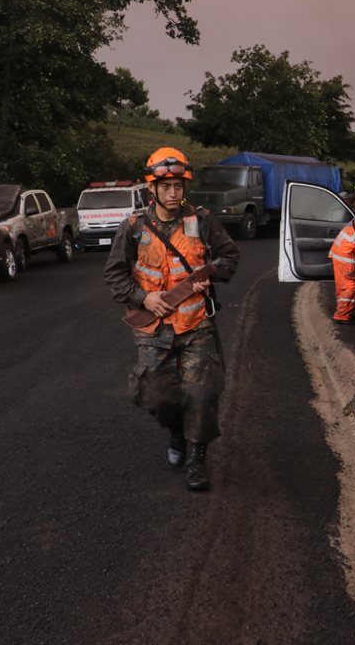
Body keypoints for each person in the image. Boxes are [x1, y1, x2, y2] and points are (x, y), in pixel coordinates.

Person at [103, 148, 240, 491]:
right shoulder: (133, 226)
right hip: (153, 328)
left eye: (178, 186)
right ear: (153, 189)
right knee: (156, 398)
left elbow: (229, 256)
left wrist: (215, 273)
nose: (173, 193)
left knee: (202, 394)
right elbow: (115, 274)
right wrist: (143, 297)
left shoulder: (203, 221)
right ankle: (176, 433)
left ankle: (196, 460)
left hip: (195, 325)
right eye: (166, 186)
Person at [329, 191, 355, 325]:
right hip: (345, 256)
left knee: (343, 286)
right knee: (350, 285)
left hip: (340, 253)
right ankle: (342, 316)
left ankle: (344, 312)